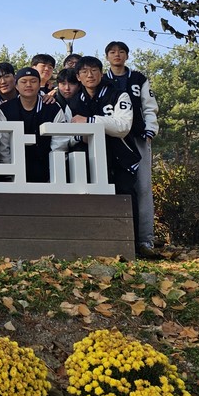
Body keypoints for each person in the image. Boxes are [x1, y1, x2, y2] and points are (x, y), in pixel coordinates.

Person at [68, 56, 143, 253]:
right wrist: (85, 132)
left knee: (125, 194)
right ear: (78, 76)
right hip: (91, 158)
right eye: (84, 72)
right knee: (93, 198)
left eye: (94, 70)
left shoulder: (119, 95)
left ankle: (132, 245)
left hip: (121, 156)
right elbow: (71, 132)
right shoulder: (74, 101)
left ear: (101, 73)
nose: (90, 75)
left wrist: (90, 122)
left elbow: (123, 126)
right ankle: (100, 246)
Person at [104, 40, 160, 257]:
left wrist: (150, 130)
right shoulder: (102, 79)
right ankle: (118, 239)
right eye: (112, 52)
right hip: (112, 138)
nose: (117, 55)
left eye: (121, 52)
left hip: (137, 136)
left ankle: (146, 240)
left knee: (143, 187)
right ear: (107, 56)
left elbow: (149, 107)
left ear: (127, 55)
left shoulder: (138, 78)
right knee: (114, 185)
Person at [0, 67, 67, 183]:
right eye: (23, 82)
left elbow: (59, 144)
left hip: (46, 171)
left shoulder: (52, 108)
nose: (28, 85)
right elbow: (3, 145)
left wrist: (54, 173)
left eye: (33, 81)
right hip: (13, 172)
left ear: (40, 85)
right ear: (16, 85)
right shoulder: (5, 109)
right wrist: (9, 173)